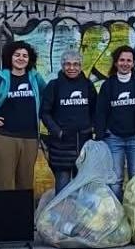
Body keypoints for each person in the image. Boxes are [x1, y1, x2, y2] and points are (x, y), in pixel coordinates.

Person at [0, 41, 47, 192]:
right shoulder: (0, 77)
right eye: (17, 55)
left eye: (24, 56)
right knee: (4, 182)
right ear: (10, 57)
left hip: (30, 138)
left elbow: (47, 95)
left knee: (26, 184)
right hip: (4, 137)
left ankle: (23, 216)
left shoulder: (35, 77)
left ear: (29, 59)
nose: (21, 58)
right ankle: (3, 216)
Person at [40, 50, 100, 194]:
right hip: (61, 146)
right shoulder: (54, 86)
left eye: (75, 64)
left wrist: (91, 127)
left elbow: (96, 109)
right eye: (67, 64)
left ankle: (81, 215)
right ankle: (62, 214)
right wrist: (58, 132)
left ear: (80, 67)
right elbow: (44, 112)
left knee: (84, 187)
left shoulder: (87, 85)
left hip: (84, 143)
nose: (71, 68)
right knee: (63, 187)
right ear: (62, 66)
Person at [95, 45, 135, 199]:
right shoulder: (108, 85)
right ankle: (116, 216)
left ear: (133, 63)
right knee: (115, 180)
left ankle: (134, 214)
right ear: (116, 63)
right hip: (114, 139)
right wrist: (100, 136)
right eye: (122, 60)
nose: (125, 63)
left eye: (129, 60)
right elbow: (101, 112)